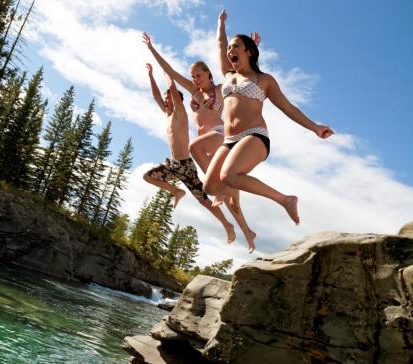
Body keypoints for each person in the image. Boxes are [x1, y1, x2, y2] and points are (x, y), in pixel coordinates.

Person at [204, 9, 334, 225]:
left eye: (235, 46)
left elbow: (288, 107)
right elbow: (219, 44)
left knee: (229, 176)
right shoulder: (228, 75)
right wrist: (221, 23)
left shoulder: (264, 80)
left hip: (254, 136)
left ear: (249, 52)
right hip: (229, 140)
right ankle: (229, 190)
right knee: (210, 187)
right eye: (230, 48)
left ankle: (285, 200)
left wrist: (315, 127)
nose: (230, 50)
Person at [143, 33, 257, 252]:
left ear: (208, 74)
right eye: (193, 77)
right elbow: (171, 72)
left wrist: (250, 53)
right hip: (210, 148)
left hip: (221, 134)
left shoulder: (220, 89)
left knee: (194, 148)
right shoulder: (194, 93)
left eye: (199, 75)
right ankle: (248, 233)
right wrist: (151, 49)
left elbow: (241, 74)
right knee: (232, 198)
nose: (195, 79)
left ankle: (219, 190)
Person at [143, 68, 236, 245]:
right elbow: (156, 96)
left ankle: (227, 225)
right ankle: (177, 191)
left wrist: (169, 77)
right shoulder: (168, 114)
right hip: (172, 165)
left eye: (168, 96)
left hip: (185, 166)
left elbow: (174, 94)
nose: (165, 99)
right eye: (166, 97)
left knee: (203, 200)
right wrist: (150, 76)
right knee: (147, 176)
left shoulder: (180, 113)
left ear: (176, 99)